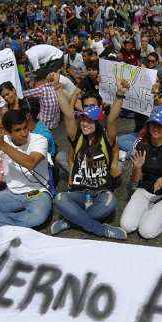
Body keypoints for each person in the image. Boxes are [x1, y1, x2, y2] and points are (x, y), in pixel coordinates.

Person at [49, 74, 129, 240]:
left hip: (100, 194)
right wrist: (58, 89)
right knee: (60, 198)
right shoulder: (77, 136)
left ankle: (72, 221)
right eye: (83, 119)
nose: (85, 123)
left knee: (111, 202)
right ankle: (102, 229)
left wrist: (120, 94)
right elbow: (69, 115)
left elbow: (113, 118)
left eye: (90, 121)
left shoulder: (107, 138)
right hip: (79, 193)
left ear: (98, 121)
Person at [0, 109, 52, 230]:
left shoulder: (39, 139)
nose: (24, 133)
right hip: (12, 193)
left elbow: (30, 163)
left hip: (37, 193)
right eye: (18, 130)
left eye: (25, 127)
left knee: (38, 217)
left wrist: (3, 145)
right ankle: (7, 223)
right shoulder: (3, 141)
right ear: (7, 132)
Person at [120, 105, 162, 239]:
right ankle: (150, 211)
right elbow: (135, 181)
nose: (155, 128)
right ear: (148, 126)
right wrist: (137, 167)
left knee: (146, 232)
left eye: (160, 125)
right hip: (145, 188)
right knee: (127, 226)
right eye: (153, 124)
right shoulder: (140, 142)